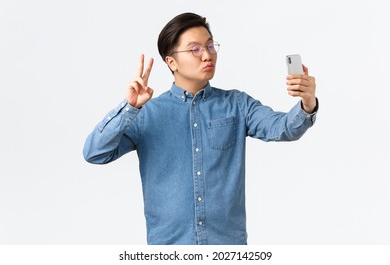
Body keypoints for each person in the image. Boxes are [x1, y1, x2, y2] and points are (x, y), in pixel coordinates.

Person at [83, 12, 318, 245]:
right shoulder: (146, 114)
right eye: (195, 49)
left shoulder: (237, 105)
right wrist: (129, 107)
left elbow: (284, 128)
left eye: (210, 46)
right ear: (171, 61)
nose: (207, 55)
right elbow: (95, 153)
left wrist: (307, 103)